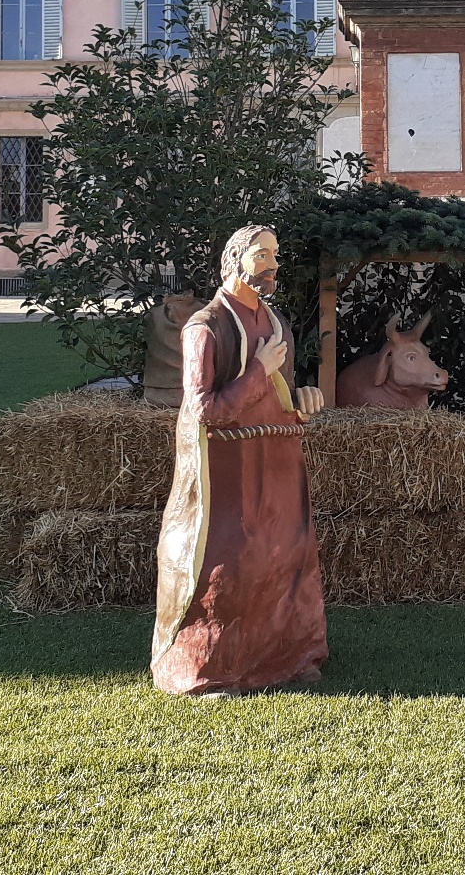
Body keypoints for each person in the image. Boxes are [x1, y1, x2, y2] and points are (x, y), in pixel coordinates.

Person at [152, 224, 328, 695]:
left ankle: (289, 657)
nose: (272, 263)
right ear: (235, 259)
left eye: (275, 253)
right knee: (231, 563)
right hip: (228, 470)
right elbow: (203, 410)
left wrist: (302, 397)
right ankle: (211, 668)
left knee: (288, 554)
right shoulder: (204, 328)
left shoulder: (274, 324)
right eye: (261, 253)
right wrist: (257, 372)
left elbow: (281, 389)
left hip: (277, 458)